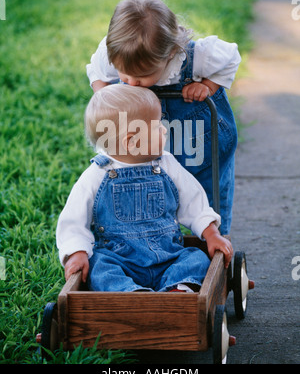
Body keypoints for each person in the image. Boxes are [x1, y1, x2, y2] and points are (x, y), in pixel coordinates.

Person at [86, 0, 241, 235]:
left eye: (142, 76)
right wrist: (106, 96)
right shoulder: (115, 53)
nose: (131, 82)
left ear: (169, 54)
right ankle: (151, 234)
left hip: (197, 139)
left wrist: (207, 86)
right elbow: (97, 74)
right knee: (143, 183)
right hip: (146, 138)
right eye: (124, 75)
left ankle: (212, 236)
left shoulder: (196, 56)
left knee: (206, 187)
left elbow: (231, 57)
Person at [56, 84, 233, 292]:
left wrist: (211, 233)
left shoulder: (166, 164)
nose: (164, 129)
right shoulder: (97, 175)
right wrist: (77, 251)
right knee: (99, 267)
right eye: (157, 126)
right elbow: (73, 220)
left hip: (168, 255)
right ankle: (130, 293)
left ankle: (177, 288)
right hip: (120, 260)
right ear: (132, 142)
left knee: (195, 258)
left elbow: (193, 200)